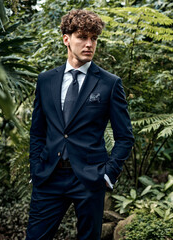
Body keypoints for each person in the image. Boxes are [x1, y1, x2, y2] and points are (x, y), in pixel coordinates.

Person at [26, 9, 134, 240]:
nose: (89, 44)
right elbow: (37, 131)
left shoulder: (110, 84)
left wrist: (108, 174)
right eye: (82, 37)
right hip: (49, 176)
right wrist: (36, 168)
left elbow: (125, 137)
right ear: (66, 39)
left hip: (90, 178)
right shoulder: (46, 81)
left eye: (93, 38)